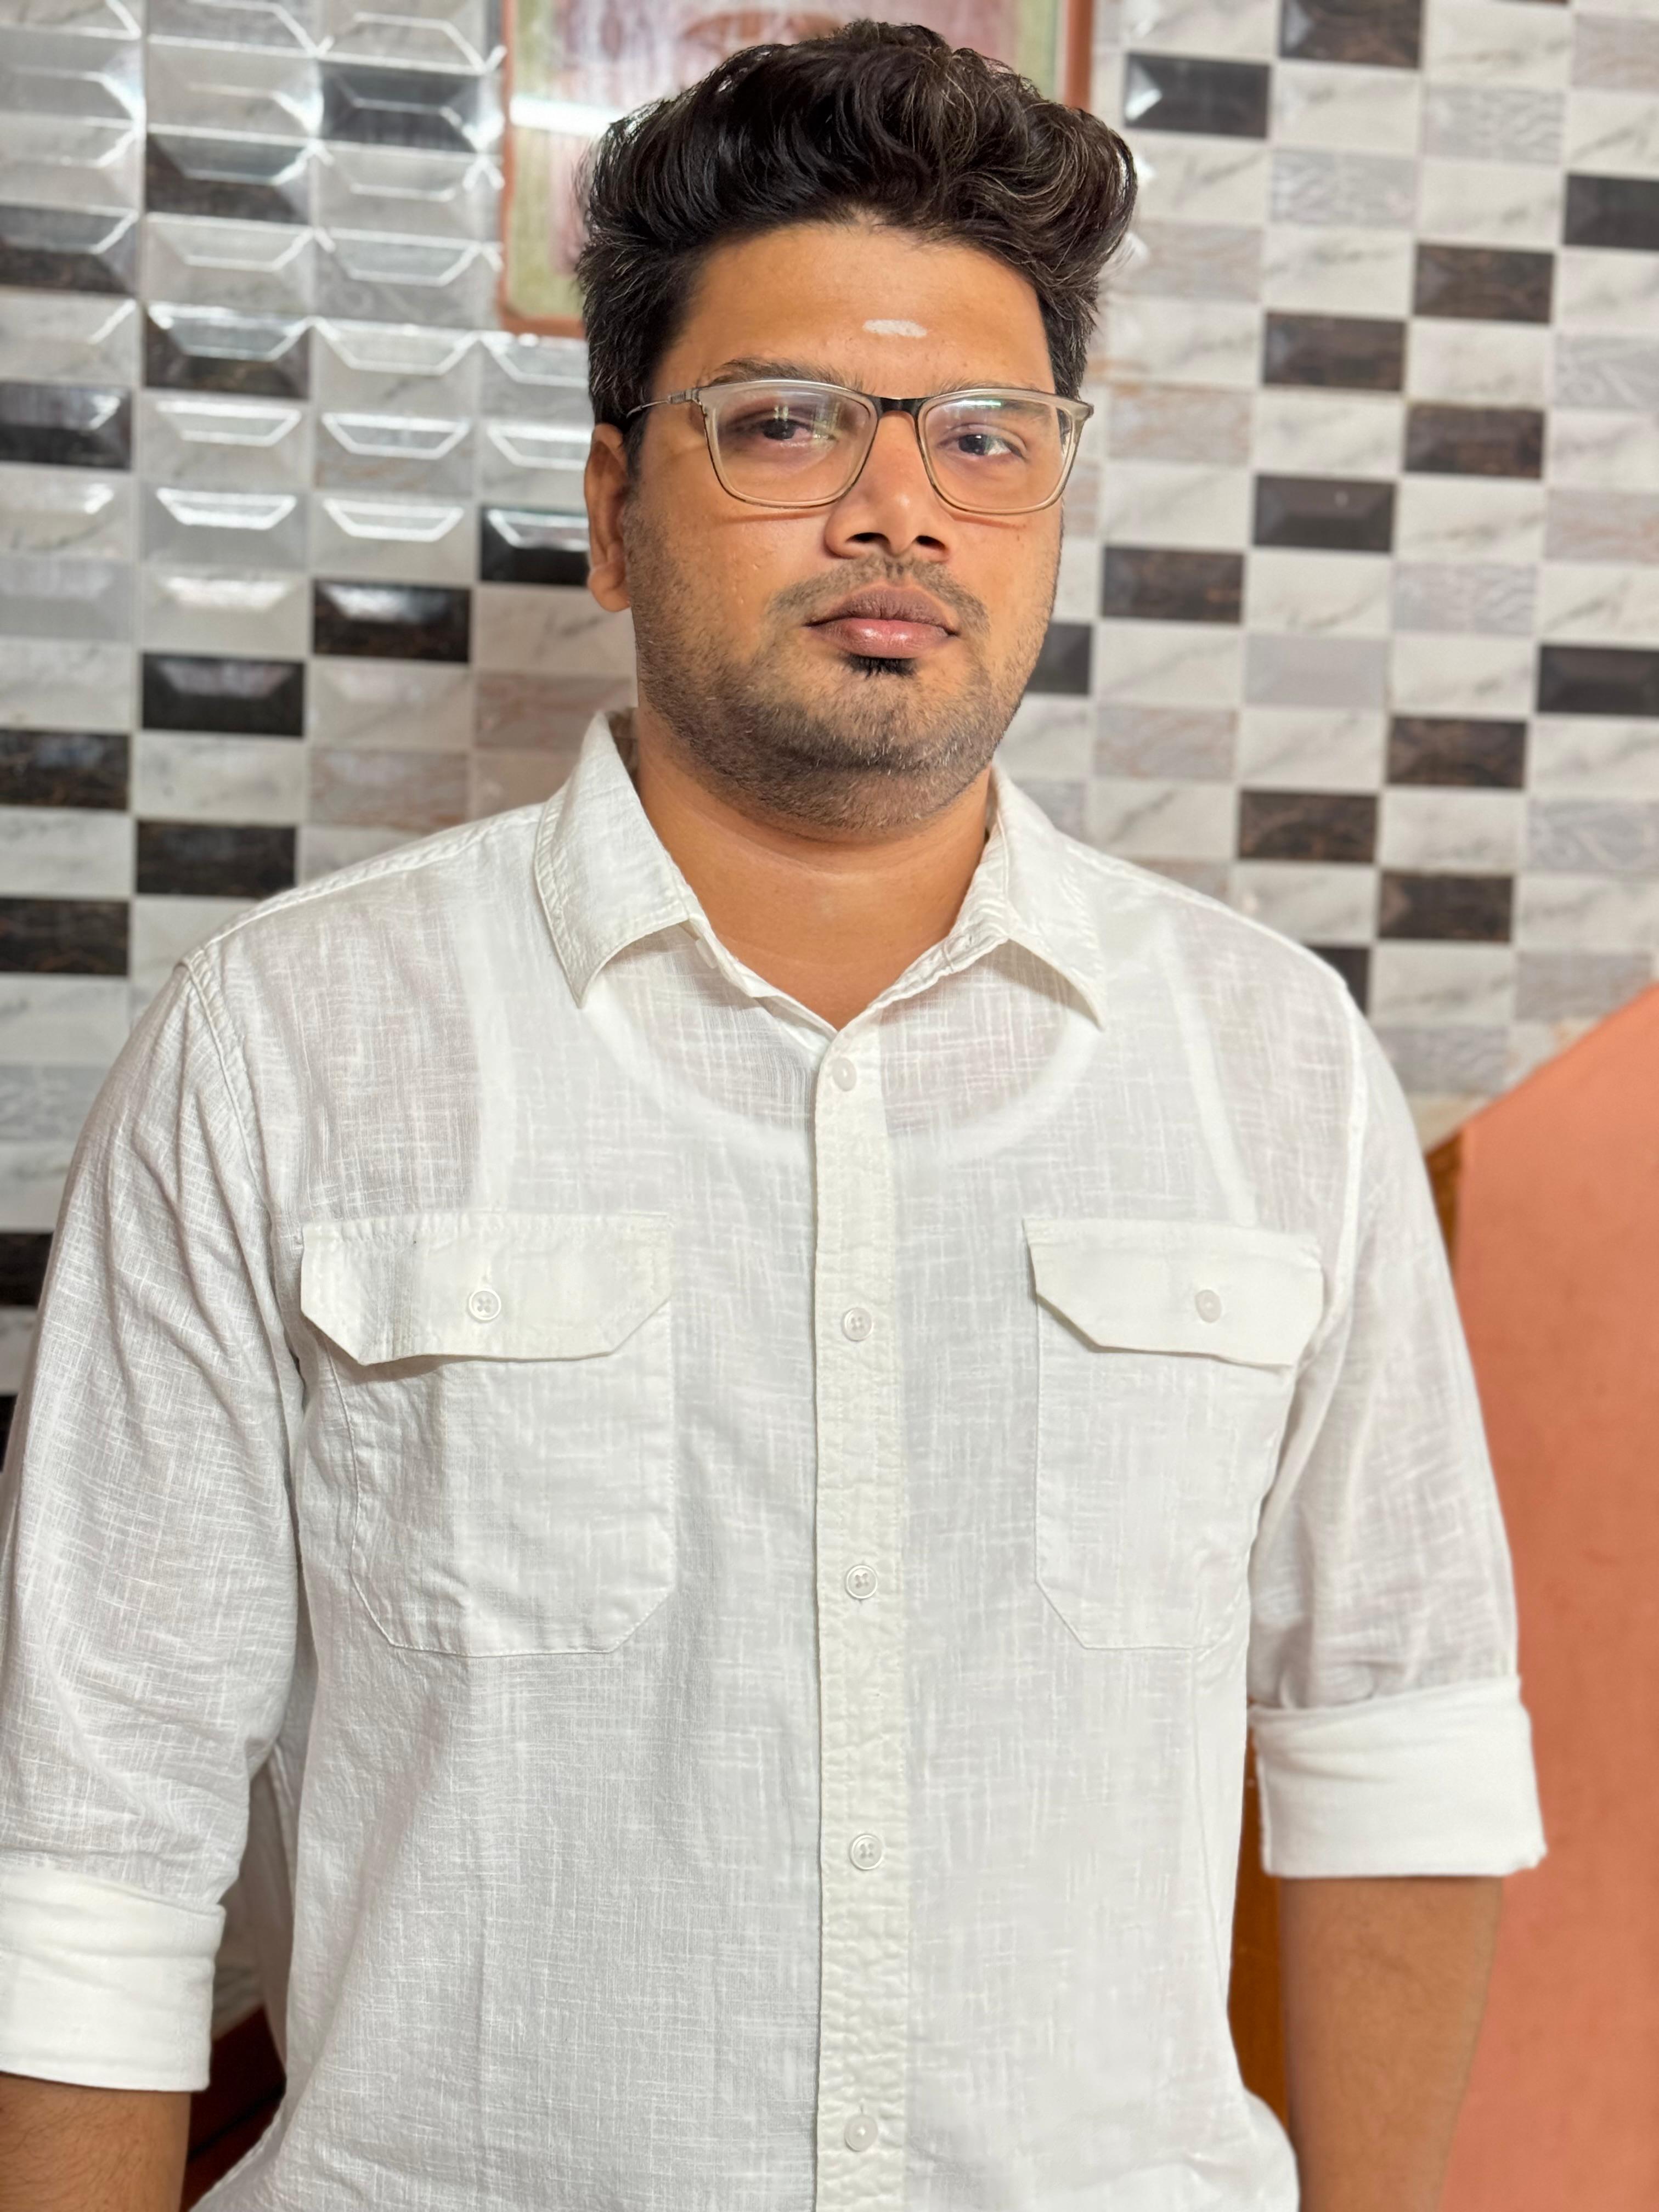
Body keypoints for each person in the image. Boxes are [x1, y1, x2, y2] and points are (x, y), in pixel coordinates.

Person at [0, 21, 1544, 2211]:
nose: (899, 505)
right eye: (785, 421)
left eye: (986, 438)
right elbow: (93, 1839)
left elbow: (1396, 1739)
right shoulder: (285, 1049)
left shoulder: (1272, 1065)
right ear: (613, 514)